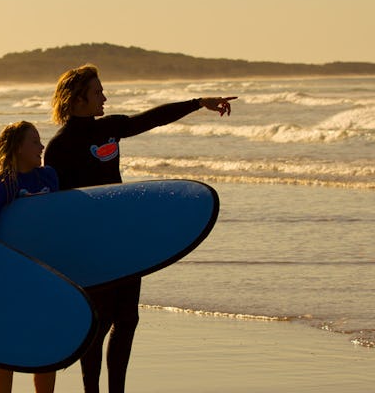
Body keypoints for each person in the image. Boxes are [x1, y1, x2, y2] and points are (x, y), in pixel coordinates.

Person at [43, 64, 236, 393]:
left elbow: (151, 118)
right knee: (98, 321)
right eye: (97, 92)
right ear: (77, 101)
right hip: (90, 244)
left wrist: (198, 102)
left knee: (127, 318)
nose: (105, 97)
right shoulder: (58, 148)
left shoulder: (108, 129)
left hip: (123, 237)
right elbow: (56, 206)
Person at [0, 121, 59, 393]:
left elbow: (63, 221)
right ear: (18, 148)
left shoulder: (49, 177)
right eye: (35, 142)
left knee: (47, 346)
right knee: (7, 348)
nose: (41, 146)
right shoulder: (2, 188)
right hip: (11, 277)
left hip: (47, 274)